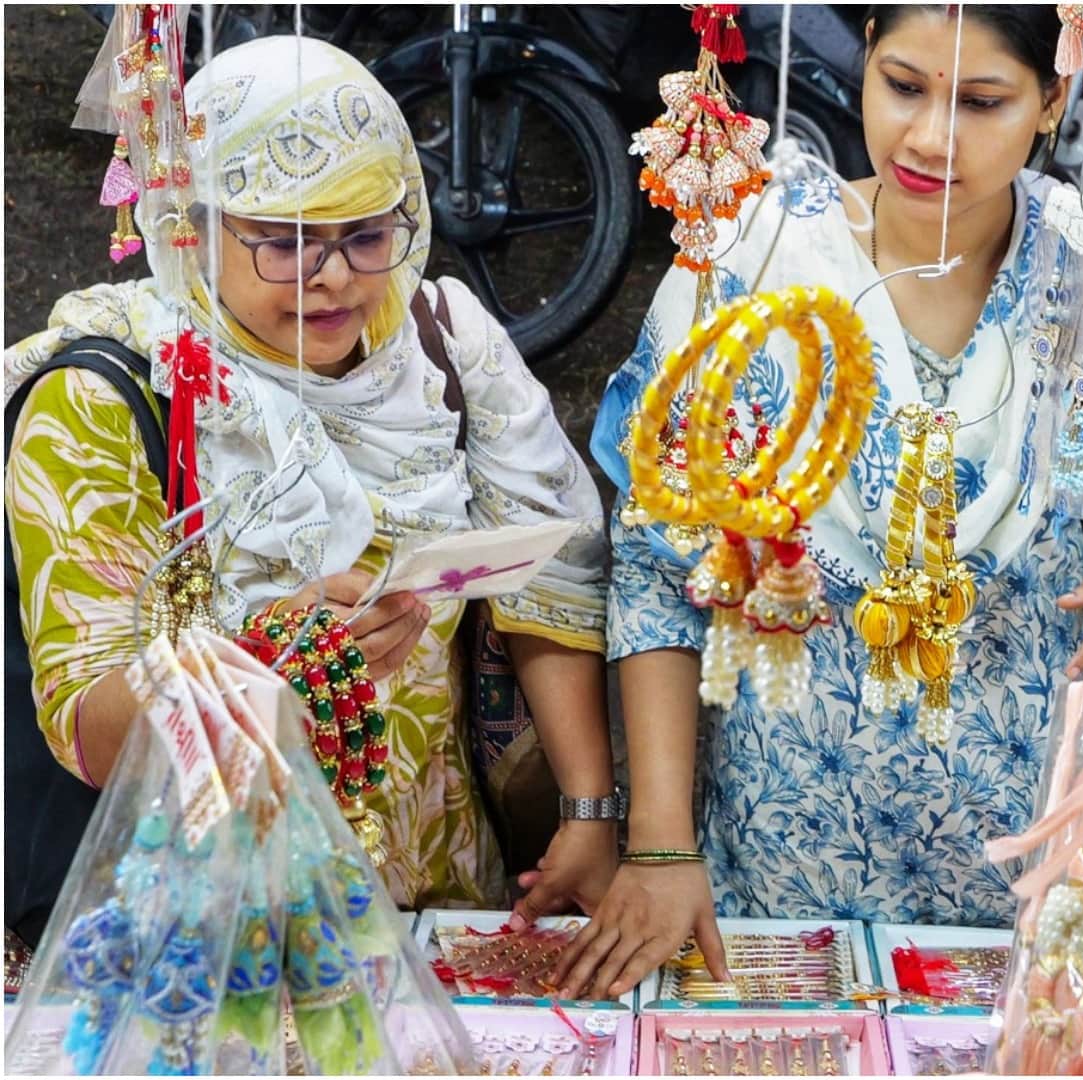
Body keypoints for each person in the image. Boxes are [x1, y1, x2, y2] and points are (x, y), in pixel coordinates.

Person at [551, 4, 1083, 999]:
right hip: (780, 848)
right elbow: (657, 564)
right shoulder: (746, 259)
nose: (931, 138)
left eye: (983, 101)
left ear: (1054, 102)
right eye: (903, 86)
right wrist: (657, 846)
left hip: (1032, 860)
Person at [3, 36, 621, 931]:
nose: (336, 279)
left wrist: (588, 809)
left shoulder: (442, 344)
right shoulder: (104, 399)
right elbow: (86, 725)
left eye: (367, 234)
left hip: (438, 894)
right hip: (204, 925)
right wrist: (260, 660)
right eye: (286, 242)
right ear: (191, 223)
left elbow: (555, 579)